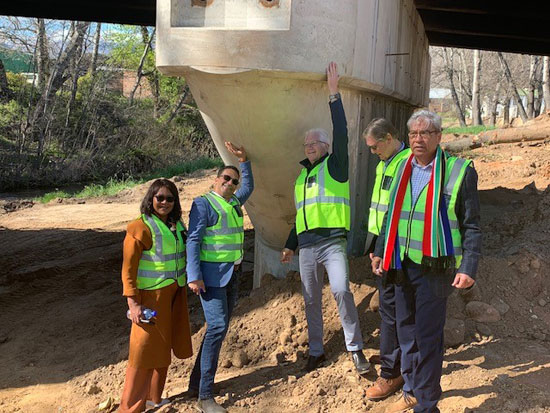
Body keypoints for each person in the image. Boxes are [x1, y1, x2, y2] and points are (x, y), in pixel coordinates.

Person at [371, 110, 481, 413]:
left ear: (438, 136)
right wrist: (381, 249)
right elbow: (390, 214)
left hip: (436, 265)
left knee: (427, 336)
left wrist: (468, 265)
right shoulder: (402, 166)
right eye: (414, 134)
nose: (418, 139)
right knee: (406, 331)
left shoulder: (459, 171)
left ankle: (427, 404)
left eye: (425, 133)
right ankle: (412, 388)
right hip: (401, 262)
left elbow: (472, 224)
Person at [281, 62, 369, 375]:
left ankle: (355, 348)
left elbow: (343, 133)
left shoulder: (336, 167)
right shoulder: (301, 178)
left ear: (326, 146)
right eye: (306, 144)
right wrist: (290, 245)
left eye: (314, 143)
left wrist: (334, 95)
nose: (309, 147)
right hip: (306, 247)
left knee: (342, 289)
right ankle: (316, 351)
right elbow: (302, 216)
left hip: (332, 243)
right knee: (310, 300)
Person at [186, 142, 254, 413]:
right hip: (211, 279)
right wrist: (194, 275)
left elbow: (249, 187)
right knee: (216, 328)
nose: (230, 182)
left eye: (234, 181)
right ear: (216, 180)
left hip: (233, 275)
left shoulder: (234, 201)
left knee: (219, 329)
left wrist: (245, 161)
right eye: (226, 178)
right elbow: (193, 240)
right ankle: (204, 396)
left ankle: (195, 384)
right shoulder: (203, 204)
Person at [119, 179, 193, 413]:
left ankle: (154, 398)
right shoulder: (140, 227)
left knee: (162, 348)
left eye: (169, 198)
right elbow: (128, 269)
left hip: (175, 294)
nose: (164, 202)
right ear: (150, 198)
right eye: (159, 197)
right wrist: (133, 303)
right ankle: (130, 407)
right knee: (143, 351)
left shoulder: (176, 225)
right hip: (150, 298)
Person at [363, 118, 410, 401]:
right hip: (384, 243)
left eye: (375, 147)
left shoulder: (405, 163)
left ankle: (393, 372)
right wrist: (374, 245)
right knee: (390, 309)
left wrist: (383, 249)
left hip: (397, 247)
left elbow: (395, 214)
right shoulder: (386, 163)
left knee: (393, 309)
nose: (372, 152)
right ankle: (396, 357)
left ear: (389, 138)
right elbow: (381, 211)